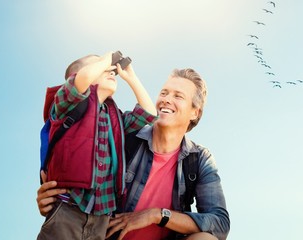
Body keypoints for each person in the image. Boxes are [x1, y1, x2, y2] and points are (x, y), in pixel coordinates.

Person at [37, 68, 230, 240]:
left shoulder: (199, 159)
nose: (166, 99)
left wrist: (156, 215)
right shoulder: (123, 135)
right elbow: (75, 150)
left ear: (194, 113)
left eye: (178, 96)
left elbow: (220, 223)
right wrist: (57, 199)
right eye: (164, 92)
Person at [37, 52, 157, 240]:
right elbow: (81, 81)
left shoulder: (114, 117)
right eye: (102, 67)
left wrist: (131, 77)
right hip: (68, 210)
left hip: (101, 216)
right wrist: (106, 58)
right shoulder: (66, 103)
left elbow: (149, 113)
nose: (110, 69)